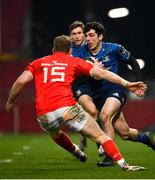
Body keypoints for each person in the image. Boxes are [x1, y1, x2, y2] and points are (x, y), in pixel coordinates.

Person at [5, 35, 147, 171]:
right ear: (70, 51)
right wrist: (126, 83)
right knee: (101, 136)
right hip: (68, 108)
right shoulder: (74, 61)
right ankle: (123, 164)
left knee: (55, 133)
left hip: (44, 113)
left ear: (53, 50)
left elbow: (21, 81)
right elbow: (102, 74)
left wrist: (11, 100)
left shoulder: (38, 63)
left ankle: (75, 151)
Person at [72, 21, 155, 167]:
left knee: (104, 116)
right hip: (94, 93)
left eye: (91, 35)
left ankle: (109, 157)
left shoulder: (114, 49)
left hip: (113, 90)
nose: (88, 39)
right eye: (86, 36)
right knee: (125, 133)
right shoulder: (79, 51)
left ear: (100, 36)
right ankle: (146, 138)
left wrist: (139, 81)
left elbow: (132, 62)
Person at [69, 20, 87, 151]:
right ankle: (83, 136)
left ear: (84, 34)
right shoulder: (68, 51)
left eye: (79, 33)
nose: (77, 36)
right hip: (77, 85)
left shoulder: (92, 46)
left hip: (95, 84)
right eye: (74, 33)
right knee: (83, 112)